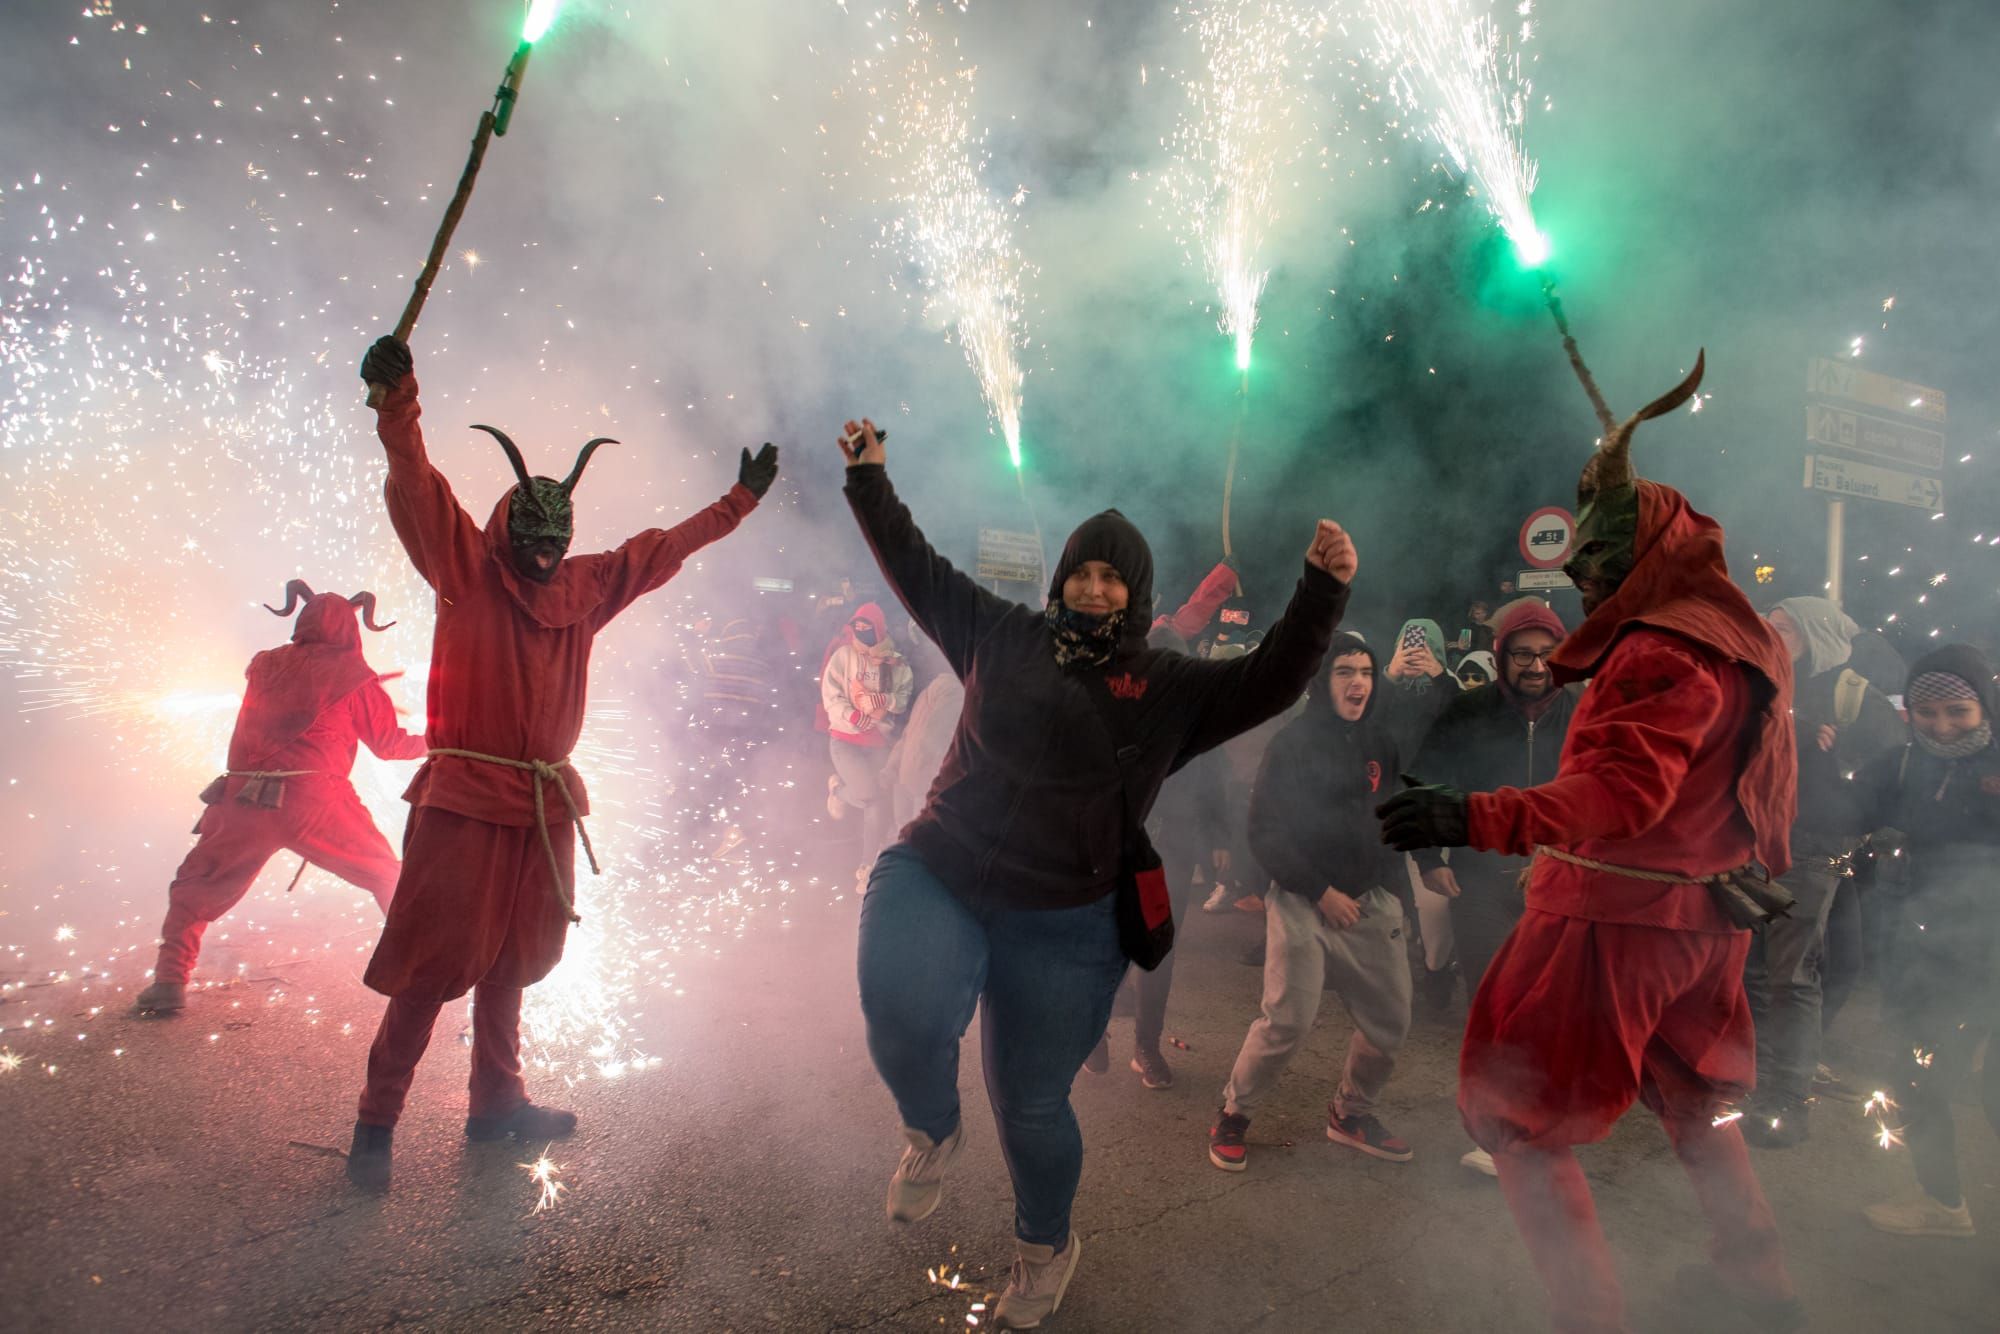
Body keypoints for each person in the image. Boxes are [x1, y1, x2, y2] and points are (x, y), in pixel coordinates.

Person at [838, 416, 1354, 1331]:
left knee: (1030, 1103)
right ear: (1060, 578)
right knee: (897, 999)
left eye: (1112, 573)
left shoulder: (1165, 686)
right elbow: (916, 567)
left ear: (1136, 591)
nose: (1092, 584)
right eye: (1081, 568)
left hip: (1065, 918)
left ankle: (1046, 1248)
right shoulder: (999, 633)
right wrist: (872, 480)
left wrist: (1320, 594)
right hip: (942, 867)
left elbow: (1270, 678)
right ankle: (931, 1128)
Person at [1380, 355, 1806, 1333]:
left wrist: (1473, 815)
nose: (1576, 571)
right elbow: (1753, 786)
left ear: (1649, 548)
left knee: (1513, 1119)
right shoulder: (1741, 640)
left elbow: (1621, 790)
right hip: (1707, 918)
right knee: (1697, 1102)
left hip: (1616, 921)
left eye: (1598, 553)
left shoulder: (1660, 649)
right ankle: (1758, 1281)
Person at [345, 335, 777, 1191]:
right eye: (532, 531)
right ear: (508, 526)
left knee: (513, 957)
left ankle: (496, 1105)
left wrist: (739, 501)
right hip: (466, 798)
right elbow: (417, 484)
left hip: (540, 809)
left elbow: (663, 548)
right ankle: (374, 1124)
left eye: (557, 532)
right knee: (435, 965)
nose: (544, 547)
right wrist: (398, 399)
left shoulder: (585, 588)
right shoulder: (465, 567)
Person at [134, 583, 428, 1014]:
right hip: (315, 801)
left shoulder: (265, 665)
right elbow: (389, 745)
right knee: (386, 874)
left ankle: (168, 983)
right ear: (351, 628)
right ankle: (420, 972)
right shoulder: (353, 675)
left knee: (196, 886)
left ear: (302, 622)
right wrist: (445, 739)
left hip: (243, 799)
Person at [1209, 633, 1414, 1172]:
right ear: (1323, 682)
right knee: (1287, 1021)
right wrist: (1321, 891)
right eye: (1345, 671)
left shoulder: (1381, 742)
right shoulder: (1293, 744)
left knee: (1390, 1022)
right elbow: (1265, 831)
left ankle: (1351, 1114)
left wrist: (1400, 900)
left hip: (1369, 901)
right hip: (1303, 899)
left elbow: (1392, 820)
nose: (1358, 683)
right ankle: (1234, 1112)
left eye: (1366, 672)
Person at [1406, 597, 1580, 1175]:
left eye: (1547, 654)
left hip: (1559, 879)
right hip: (1482, 879)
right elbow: (1428, 783)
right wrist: (1431, 856)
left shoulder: (1583, 712)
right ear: (1502, 654)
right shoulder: (1467, 711)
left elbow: (1607, 791)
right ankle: (1496, 1130)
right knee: (1494, 1002)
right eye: (1522, 654)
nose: (1535, 666)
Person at [1835, 645, 2000, 1237]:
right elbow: (1835, 812)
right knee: (1917, 1079)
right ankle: (1944, 1205)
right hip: (1931, 957)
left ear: (1985, 706)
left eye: (1958, 711)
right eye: (1928, 713)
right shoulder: (1899, 767)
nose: (1942, 726)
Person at [1739, 596, 1903, 1147]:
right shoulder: (1762, 681)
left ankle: (1788, 1098)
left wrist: (1836, 763)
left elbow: (1884, 782)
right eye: (1768, 623)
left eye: (1782, 626)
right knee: (1755, 968)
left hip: (1812, 851)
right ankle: (1757, 1082)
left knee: (1791, 973)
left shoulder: (1852, 695)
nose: (1769, 631)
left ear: (1816, 636)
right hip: (1755, 842)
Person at [821, 601, 915, 881]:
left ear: (880, 629)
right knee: (869, 795)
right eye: (857, 627)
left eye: (867, 628)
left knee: (878, 801)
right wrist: (851, 716)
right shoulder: (843, 656)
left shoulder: (895, 661)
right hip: (845, 739)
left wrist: (885, 700)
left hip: (878, 742)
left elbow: (902, 698)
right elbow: (830, 695)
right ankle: (838, 792)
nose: (861, 633)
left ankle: (867, 867)